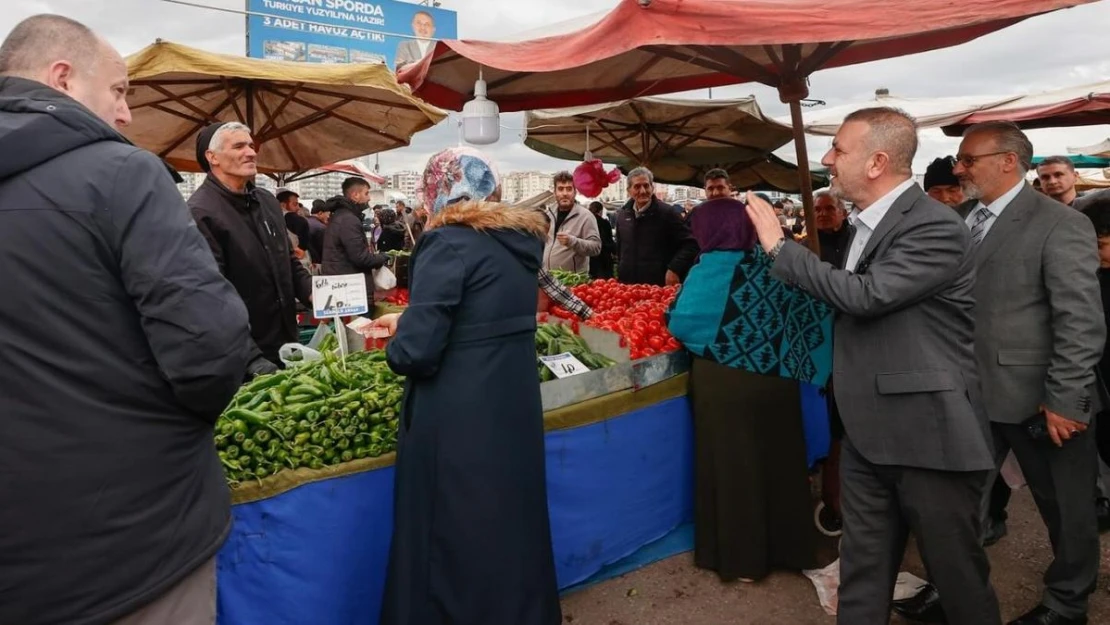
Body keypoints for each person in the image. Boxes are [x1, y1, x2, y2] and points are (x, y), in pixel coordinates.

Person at [0, 15, 252, 625]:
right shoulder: (121, 173)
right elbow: (211, 348)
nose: (125, 115)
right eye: (117, 90)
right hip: (133, 541)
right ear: (62, 77)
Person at [744, 107, 1000, 625]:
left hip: (929, 435)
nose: (827, 159)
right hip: (866, 429)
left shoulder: (936, 226)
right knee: (862, 571)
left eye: (838, 149)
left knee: (957, 578)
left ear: (878, 161)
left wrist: (779, 249)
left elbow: (868, 296)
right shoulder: (865, 223)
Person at [904, 122, 1104, 625]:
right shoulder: (963, 218)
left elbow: (1079, 319)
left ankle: (1066, 604)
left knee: (1066, 509)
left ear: (1008, 161)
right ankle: (957, 592)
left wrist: (1066, 398)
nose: (959, 168)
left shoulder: (1057, 223)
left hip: (1040, 398)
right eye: (960, 159)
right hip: (966, 394)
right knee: (954, 504)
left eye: (969, 160)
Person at [373, 147, 561, 625]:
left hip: (458, 415)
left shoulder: (447, 242)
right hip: (510, 406)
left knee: (452, 530)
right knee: (509, 524)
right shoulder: (519, 242)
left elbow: (417, 351)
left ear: (439, 188)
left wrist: (397, 340)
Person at [669, 196, 832, 583]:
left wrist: (667, 312)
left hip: (725, 385)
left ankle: (743, 560)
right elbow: (811, 312)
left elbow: (683, 324)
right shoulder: (776, 262)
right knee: (779, 462)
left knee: (734, 468)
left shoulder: (711, 267)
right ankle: (790, 548)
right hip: (776, 381)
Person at [189, 121, 312, 372]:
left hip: (287, 341)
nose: (251, 152)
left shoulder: (266, 201)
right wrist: (251, 358)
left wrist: (318, 294)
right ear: (212, 157)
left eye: (251, 145)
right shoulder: (200, 213)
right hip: (243, 355)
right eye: (238, 146)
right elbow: (210, 297)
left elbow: (288, 261)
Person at [808, 190, 854, 535]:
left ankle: (843, 494)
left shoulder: (858, 241)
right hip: (817, 339)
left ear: (842, 212)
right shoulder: (807, 244)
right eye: (818, 209)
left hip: (852, 336)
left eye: (829, 209)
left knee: (844, 421)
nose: (823, 214)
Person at [615, 167, 699, 285]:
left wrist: (674, 269)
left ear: (652, 187)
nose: (643, 191)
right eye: (637, 186)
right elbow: (620, 249)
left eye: (646, 185)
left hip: (657, 285)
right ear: (629, 190)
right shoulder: (622, 215)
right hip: (628, 285)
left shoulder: (668, 213)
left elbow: (690, 244)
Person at [321, 177, 393, 300]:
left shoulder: (341, 216)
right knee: (360, 320)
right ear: (355, 195)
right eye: (366, 193)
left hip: (342, 283)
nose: (369, 198)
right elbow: (361, 258)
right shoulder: (348, 219)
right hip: (351, 288)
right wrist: (382, 257)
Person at [543, 170, 601, 273]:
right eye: (560, 189)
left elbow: (596, 247)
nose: (564, 194)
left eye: (569, 189)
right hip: (549, 281)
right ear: (555, 192)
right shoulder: (548, 214)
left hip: (573, 282)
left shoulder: (586, 216)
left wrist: (573, 241)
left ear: (575, 192)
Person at [278, 188, 311, 254]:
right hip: (297, 257)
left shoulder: (271, 218)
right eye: (294, 204)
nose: (298, 208)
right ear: (283, 205)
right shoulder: (292, 218)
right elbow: (303, 223)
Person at [589, 200, 616, 279]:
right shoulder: (605, 223)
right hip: (604, 257)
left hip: (591, 257)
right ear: (600, 211)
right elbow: (609, 240)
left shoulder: (587, 221)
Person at [306, 198, 329, 265]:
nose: (328, 217)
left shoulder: (305, 221)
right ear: (320, 213)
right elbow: (324, 250)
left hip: (308, 261)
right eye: (327, 214)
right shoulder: (321, 228)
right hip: (317, 262)